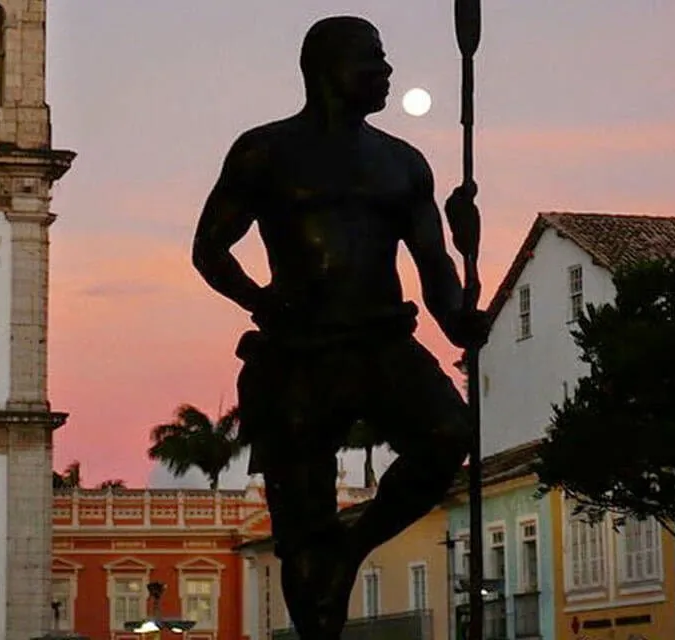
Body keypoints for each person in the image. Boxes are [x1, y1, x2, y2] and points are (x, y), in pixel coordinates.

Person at [191, 15, 486, 639]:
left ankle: (349, 547)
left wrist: (462, 315)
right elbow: (210, 249)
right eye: (372, 60)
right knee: (299, 525)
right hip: (296, 350)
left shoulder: (403, 164)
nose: (386, 73)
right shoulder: (264, 151)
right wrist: (260, 302)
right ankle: (320, 607)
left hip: (382, 339)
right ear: (327, 68)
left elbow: (433, 268)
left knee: (447, 434)